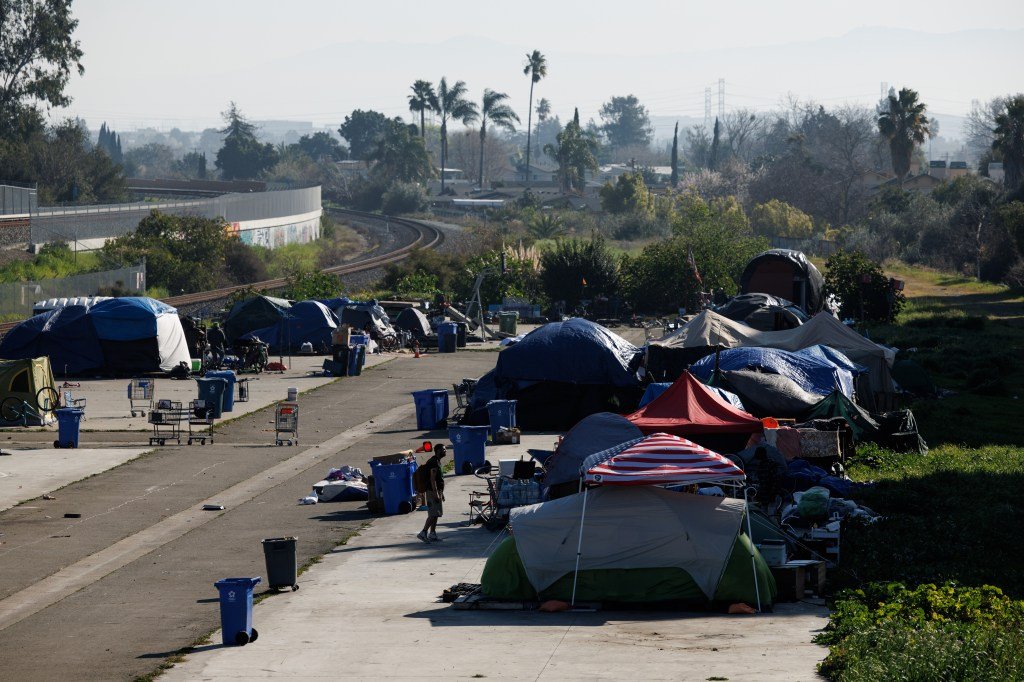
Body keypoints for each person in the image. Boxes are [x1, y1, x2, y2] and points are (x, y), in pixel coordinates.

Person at [417, 444, 448, 543]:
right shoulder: (433, 462)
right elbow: (432, 479)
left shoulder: (437, 461)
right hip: (432, 492)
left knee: (436, 513)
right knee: (433, 514)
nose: (445, 451)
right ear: (438, 451)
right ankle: (423, 532)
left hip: (437, 491)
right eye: (444, 449)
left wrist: (441, 493)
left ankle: (432, 534)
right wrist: (435, 494)